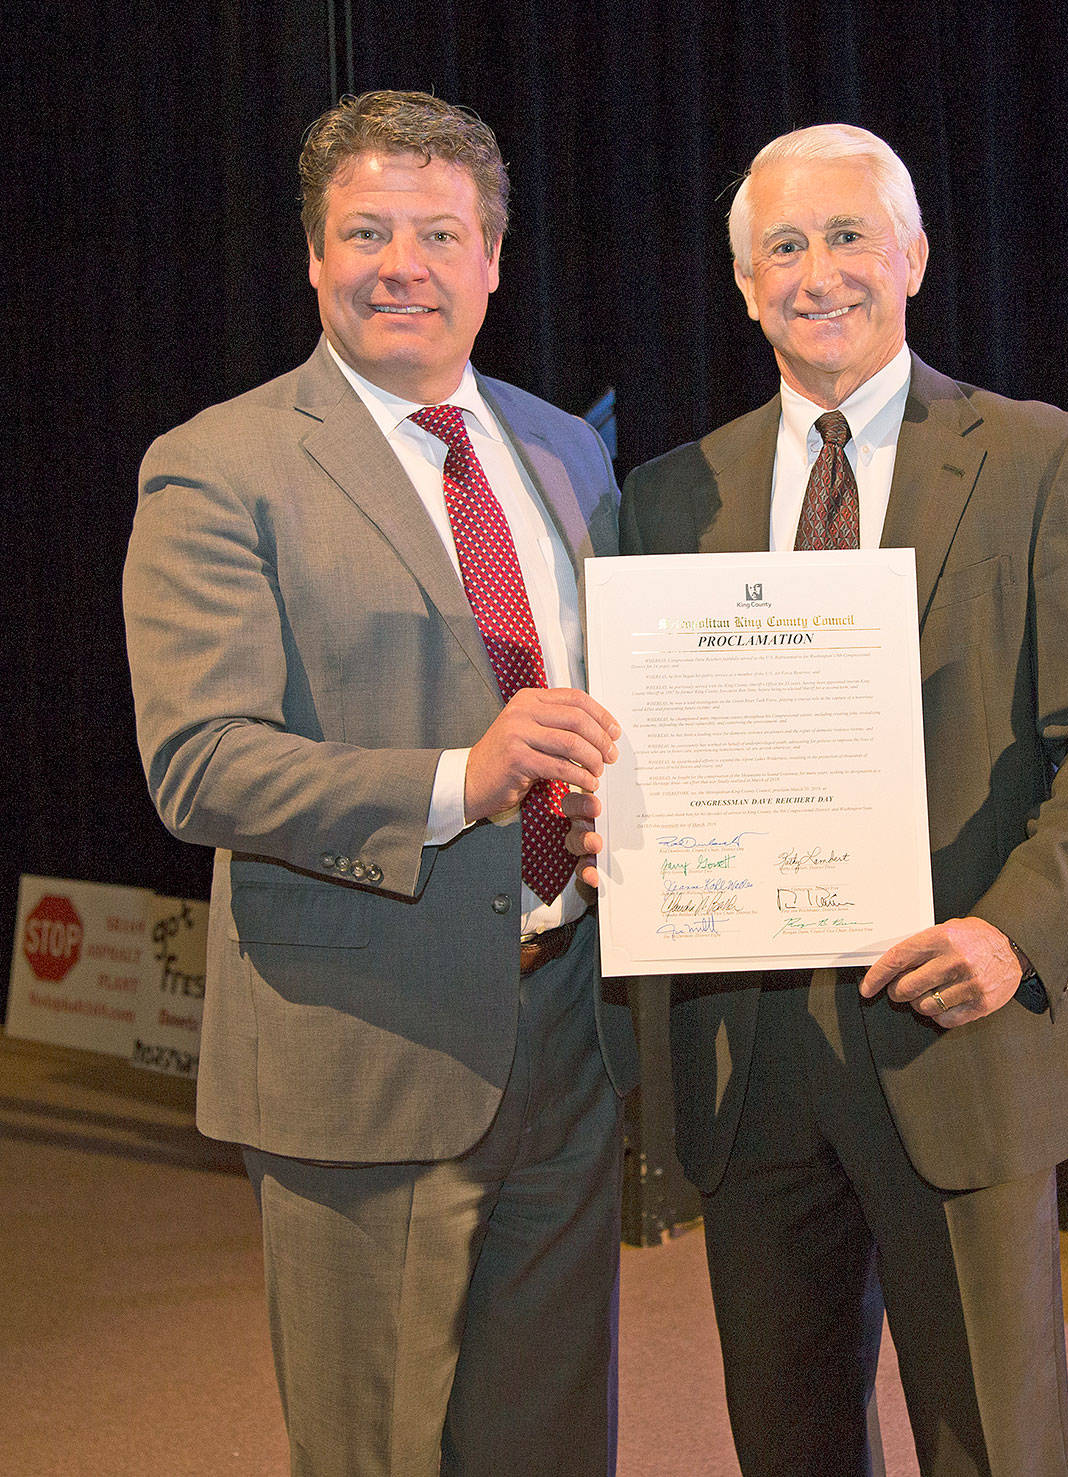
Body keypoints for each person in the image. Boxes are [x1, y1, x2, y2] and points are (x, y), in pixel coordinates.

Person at [569, 124, 1068, 1477]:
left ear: (914, 256)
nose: (819, 269)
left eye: (849, 235)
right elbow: (637, 746)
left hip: (958, 1027)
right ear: (743, 285)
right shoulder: (671, 496)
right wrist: (624, 826)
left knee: (995, 1439)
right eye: (784, 244)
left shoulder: (1035, 460)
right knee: (785, 1434)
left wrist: (1011, 931)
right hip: (752, 1053)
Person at [123, 90, 636, 1477]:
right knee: (378, 1450)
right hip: (363, 1046)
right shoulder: (217, 468)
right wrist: (463, 779)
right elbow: (201, 763)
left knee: (547, 1444)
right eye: (366, 230)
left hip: (567, 1040)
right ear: (311, 257)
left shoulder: (563, 452)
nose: (400, 261)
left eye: (437, 231)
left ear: (492, 260)